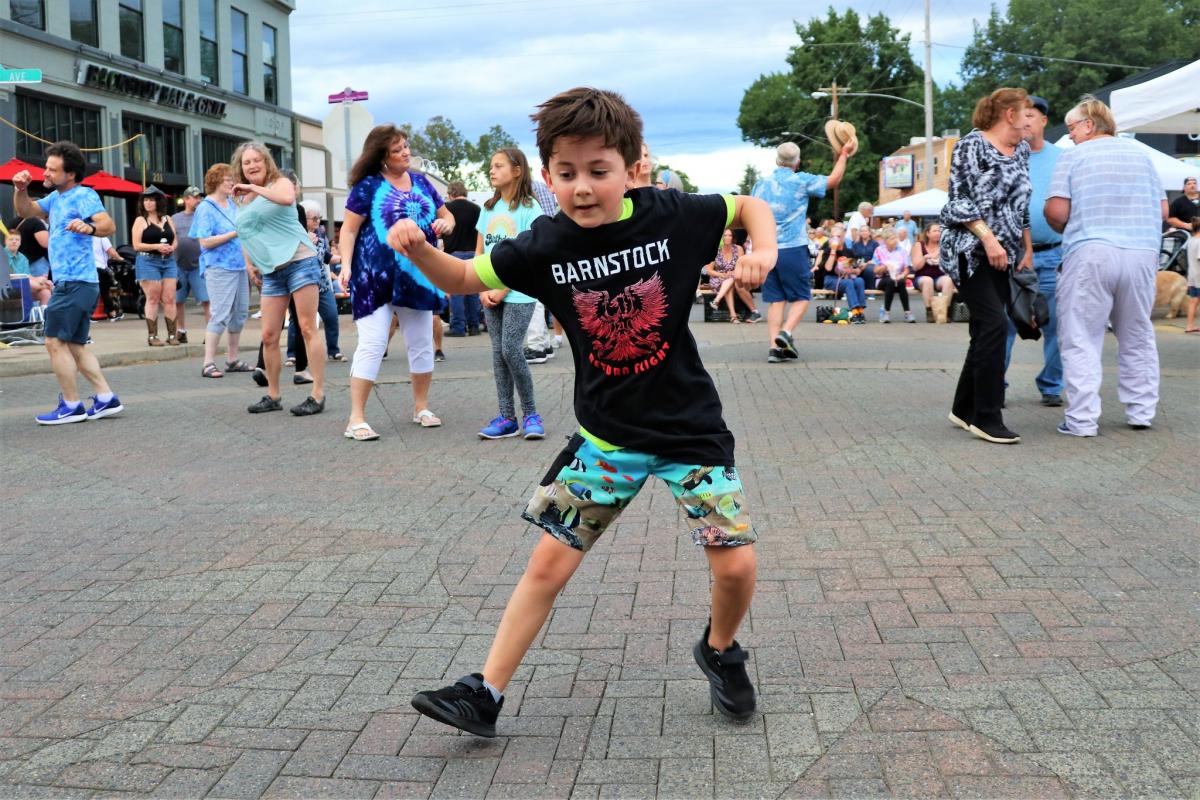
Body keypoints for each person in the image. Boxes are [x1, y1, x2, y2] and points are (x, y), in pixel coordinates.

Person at [389, 86, 778, 739]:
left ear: (631, 166)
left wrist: (759, 249)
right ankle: (484, 692)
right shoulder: (545, 245)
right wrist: (418, 250)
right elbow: (462, 280)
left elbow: (750, 206)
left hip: (690, 431)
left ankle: (719, 649)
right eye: (566, 174)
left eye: (599, 171)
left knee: (736, 564)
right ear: (546, 176)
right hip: (607, 439)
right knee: (548, 564)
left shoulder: (671, 215)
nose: (583, 187)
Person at [1045, 96, 1167, 436]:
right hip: (1141, 252)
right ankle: (1141, 411)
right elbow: (1160, 212)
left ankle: (1082, 420)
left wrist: (1062, 226)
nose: (1068, 136)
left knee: (1081, 334)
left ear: (1088, 124)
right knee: (1137, 333)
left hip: (1092, 250)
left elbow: (1057, 212)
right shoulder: (1143, 157)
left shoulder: (1073, 156)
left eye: (1071, 128)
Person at [338, 124, 453, 440]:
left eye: (406, 146)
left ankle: (421, 407)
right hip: (375, 276)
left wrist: (445, 223)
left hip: (419, 274)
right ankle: (356, 418)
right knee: (373, 343)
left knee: (421, 342)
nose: (406, 152)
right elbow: (348, 231)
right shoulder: (368, 186)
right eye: (398, 149)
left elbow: (448, 216)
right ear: (382, 156)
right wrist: (346, 266)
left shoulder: (421, 182)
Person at [940, 87, 1034, 445]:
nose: (1031, 120)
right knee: (995, 324)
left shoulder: (1021, 149)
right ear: (1009, 114)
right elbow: (958, 201)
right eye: (1026, 113)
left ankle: (963, 408)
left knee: (984, 329)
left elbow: (1022, 205)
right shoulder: (971, 145)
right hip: (970, 250)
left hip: (1006, 254)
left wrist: (1025, 249)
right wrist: (989, 239)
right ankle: (987, 417)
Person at [11, 141, 124, 425]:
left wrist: (90, 227)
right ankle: (105, 398)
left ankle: (72, 405)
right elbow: (26, 211)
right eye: (46, 168)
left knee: (53, 341)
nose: (45, 173)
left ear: (70, 174)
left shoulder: (83, 195)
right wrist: (20, 189)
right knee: (75, 344)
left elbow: (108, 224)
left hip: (74, 283)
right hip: (75, 283)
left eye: (52, 169)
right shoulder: (56, 198)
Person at [233, 142, 327, 416]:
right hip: (272, 271)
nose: (251, 165)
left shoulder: (280, 183)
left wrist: (253, 188)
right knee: (269, 334)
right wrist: (250, 264)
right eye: (246, 162)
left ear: (266, 162)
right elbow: (245, 232)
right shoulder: (243, 199)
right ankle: (273, 395)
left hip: (300, 262)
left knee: (308, 327)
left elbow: (286, 200)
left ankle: (318, 394)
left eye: (256, 160)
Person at [752, 140, 851, 363]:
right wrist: (843, 154)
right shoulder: (801, 180)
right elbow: (833, 180)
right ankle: (786, 333)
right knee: (802, 296)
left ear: (777, 160)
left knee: (776, 301)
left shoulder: (761, 184)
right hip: (792, 248)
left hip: (767, 249)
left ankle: (773, 348)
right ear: (797, 161)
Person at [475, 147, 546, 439]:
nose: (492, 171)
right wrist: (481, 287)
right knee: (496, 354)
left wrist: (502, 289)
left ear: (517, 170)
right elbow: (479, 251)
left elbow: (530, 254)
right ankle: (507, 417)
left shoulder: (530, 208)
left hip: (518, 292)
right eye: (491, 166)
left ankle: (531, 413)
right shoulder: (489, 208)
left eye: (499, 166)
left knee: (510, 349)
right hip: (488, 292)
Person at [1002, 95, 1064, 406]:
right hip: (1011, 254)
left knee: (1057, 324)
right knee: (1005, 324)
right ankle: (995, 384)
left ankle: (1052, 385)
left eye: (1031, 115)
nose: (1025, 121)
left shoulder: (1063, 157)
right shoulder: (1007, 156)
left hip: (1054, 252)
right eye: (1020, 115)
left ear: (1043, 121)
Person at [191, 163, 251, 379]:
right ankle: (208, 362)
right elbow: (205, 241)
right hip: (218, 267)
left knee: (240, 312)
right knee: (220, 313)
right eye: (228, 180)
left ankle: (232, 359)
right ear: (216, 181)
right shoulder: (205, 208)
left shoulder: (233, 205)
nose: (232, 183)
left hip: (239, 265)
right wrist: (233, 234)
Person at [289, 200, 343, 362]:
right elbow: (290, 255)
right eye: (314, 219)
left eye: (319, 218)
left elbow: (326, 257)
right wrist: (305, 242)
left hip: (322, 284)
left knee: (332, 316)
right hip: (302, 283)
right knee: (297, 321)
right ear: (304, 219)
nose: (318, 222)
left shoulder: (320, 235)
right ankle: (292, 354)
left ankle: (334, 350)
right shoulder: (294, 234)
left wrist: (345, 259)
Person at [131, 186, 180, 346]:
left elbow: (174, 238)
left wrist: (172, 247)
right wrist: (156, 247)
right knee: (152, 298)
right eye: (145, 199)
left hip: (168, 260)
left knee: (170, 298)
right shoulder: (140, 220)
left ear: (158, 201)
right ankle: (152, 336)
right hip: (148, 261)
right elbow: (136, 245)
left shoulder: (167, 218)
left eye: (151, 199)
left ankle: (172, 335)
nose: (148, 203)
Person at [441, 181, 482, 337]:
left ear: (451, 194)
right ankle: (474, 326)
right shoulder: (476, 209)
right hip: (473, 253)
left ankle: (458, 327)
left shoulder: (447, 209)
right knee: (473, 292)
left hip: (454, 254)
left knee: (456, 292)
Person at [171, 186, 207, 343]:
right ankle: (181, 330)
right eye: (195, 197)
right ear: (186, 199)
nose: (198, 200)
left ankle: (210, 333)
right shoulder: (175, 218)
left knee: (206, 300)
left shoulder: (204, 216)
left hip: (199, 264)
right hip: (178, 264)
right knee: (178, 300)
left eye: (200, 197)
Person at [706, 228, 761, 322]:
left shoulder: (738, 249)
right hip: (718, 278)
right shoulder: (715, 250)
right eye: (725, 235)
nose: (727, 237)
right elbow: (709, 270)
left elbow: (742, 266)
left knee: (732, 279)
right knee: (730, 281)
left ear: (733, 237)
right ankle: (727, 308)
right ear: (721, 238)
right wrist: (721, 274)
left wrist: (733, 272)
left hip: (734, 276)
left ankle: (731, 314)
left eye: (729, 235)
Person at [817, 225, 866, 322]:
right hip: (831, 279)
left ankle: (860, 311)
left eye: (838, 236)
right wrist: (833, 250)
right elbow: (828, 268)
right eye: (833, 236)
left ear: (843, 238)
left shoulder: (849, 252)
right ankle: (854, 311)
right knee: (849, 283)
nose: (836, 239)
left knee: (859, 280)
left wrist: (851, 270)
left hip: (846, 278)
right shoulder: (827, 251)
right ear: (830, 238)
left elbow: (857, 270)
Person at [911, 222, 955, 321]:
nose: (938, 233)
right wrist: (925, 258)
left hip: (939, 276)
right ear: (927, 233)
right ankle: (929, 311)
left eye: (939, 231)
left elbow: (951, 265)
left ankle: (944, 311)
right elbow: (916, 267)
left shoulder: (944, 245)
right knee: (927, 281)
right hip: (922, 276)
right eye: (934, 231)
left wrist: (941, 260)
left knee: (948, 280)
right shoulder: (919, 245)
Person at [9, 210, 50, 306]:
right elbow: (45, 243)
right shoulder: (36, 223)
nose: (14, 242)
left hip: (25, 274)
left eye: (17, 240)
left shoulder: (23, 258)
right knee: (42, 287)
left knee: (45, 291)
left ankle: (41, 319)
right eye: (11, 239)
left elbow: (26, 274)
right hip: (36, 263)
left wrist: (39, 281)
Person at [872, 229, 914, 323]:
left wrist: (903, 275)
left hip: (898, 277)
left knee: (901, 282)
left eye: (896, 238)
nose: (895, 241)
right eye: (892, 238)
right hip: (883, 278)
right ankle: (886, 312)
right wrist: (885, 267)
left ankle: (907, 312)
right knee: (890, 281)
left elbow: (907, 268)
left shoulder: (902, 251)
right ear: (885, 240)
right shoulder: (879, 250)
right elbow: (876, 271)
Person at [1185, 218, 1200, 334]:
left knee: (1193, 301)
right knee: (1195, 301)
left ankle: (1189, 325)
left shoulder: (1190, 241)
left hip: (1193, 276)